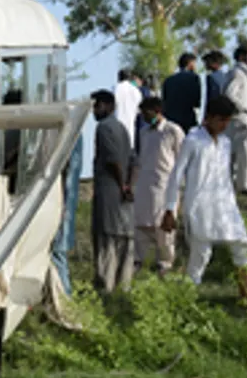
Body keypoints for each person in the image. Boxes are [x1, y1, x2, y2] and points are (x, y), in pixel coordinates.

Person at [162, 95, 247, 300]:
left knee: (241, 244)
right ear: (209, 117)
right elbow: (176, 176)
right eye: (221, 120)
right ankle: (186, 301)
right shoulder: (193, 140)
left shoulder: (225, 143)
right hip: (199, 207)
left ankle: (246, 297)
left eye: (227, 120)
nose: (224, 125)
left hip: (224, 204)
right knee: (200, 255)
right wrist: (170, 209)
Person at [134, 97, 185, 275]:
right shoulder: (144, 132)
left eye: (146, 112)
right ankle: (140, 263)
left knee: (163, 228)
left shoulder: (173, 131)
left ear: (157, 111)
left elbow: (181, 161)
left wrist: (181, 188)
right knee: (142, 225)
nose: (143, 116)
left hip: (165, 186)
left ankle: (165, 264)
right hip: (144, 185)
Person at [92, 89, 136, 293]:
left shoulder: (104, 128)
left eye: (97, 105)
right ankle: (123, 287)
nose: (94, 110)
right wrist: (130, 186)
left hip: (110, 191)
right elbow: (134, 161)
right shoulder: (122, 128)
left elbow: (114, 160)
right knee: (125, 240)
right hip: (124, 195)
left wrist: (122, 184)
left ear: (109, 106)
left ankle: (106, 288)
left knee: (107, 241)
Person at [51, 105, 89, 296]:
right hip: (65, 201)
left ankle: (65, 297)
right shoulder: (74, 135)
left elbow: (67, 174)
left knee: (58, 253)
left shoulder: (69, 136)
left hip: (63, 201)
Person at [224, 45, 247, 194]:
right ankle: (243, 185)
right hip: (241, 118)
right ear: (241, 57)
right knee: (244, 152)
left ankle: (235, 184)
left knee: (237, 152)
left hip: (241, 117)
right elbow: (229, 95)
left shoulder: (245, 75)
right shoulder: (238, 74)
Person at [161, 53, 203, 131]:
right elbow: (197, 101)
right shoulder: (194, 78)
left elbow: (164, 101)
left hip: (170, 119)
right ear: (190, 63)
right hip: (187, 119)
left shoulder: (168, 80)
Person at [113, 69, 142, 149]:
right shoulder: (136, 91)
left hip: (116, 126)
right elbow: (138, 110)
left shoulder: (115, 88)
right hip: (130, 127)